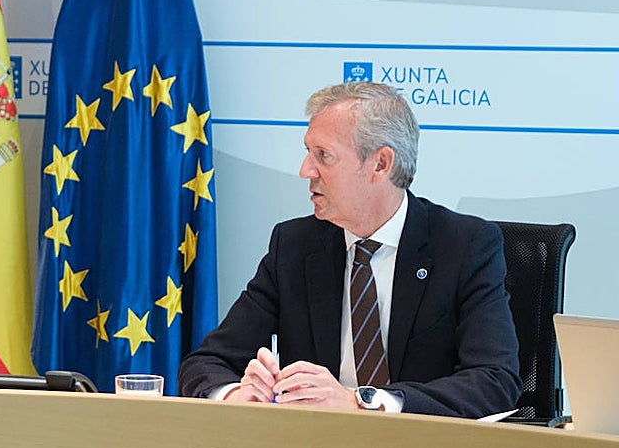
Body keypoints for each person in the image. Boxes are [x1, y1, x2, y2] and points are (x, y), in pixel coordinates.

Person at [178, 81, 520, 419]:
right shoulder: (294, 247)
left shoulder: (464, 245)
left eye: (323, 156)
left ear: (381, 164)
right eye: (307, 152)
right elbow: (206, 363)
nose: (305, 171)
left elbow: (494, 382)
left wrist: (363, 401)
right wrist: (238, 393)